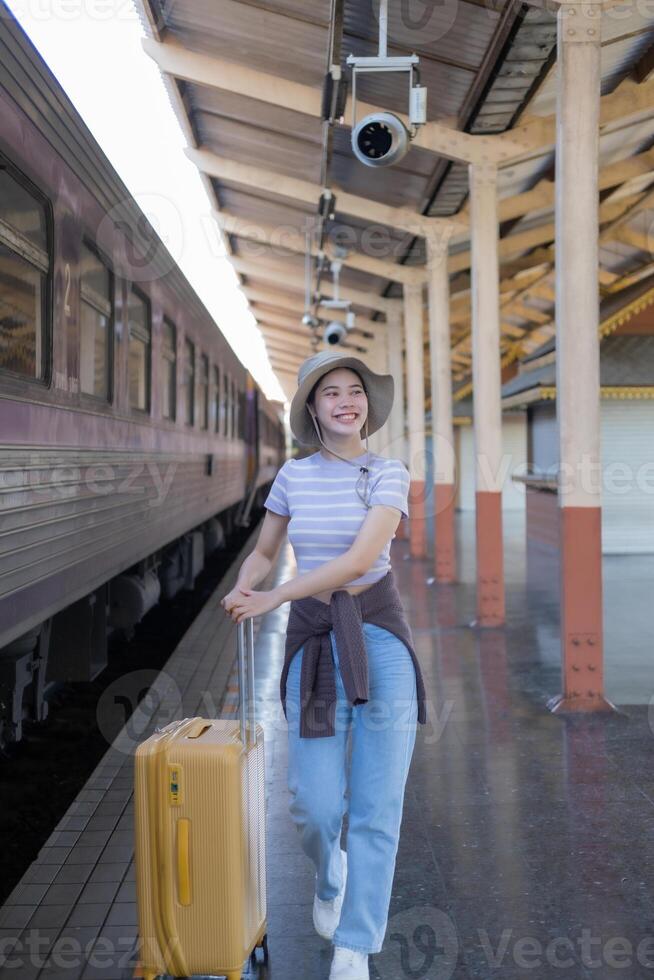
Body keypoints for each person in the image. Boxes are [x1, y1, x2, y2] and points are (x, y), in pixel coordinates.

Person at [221, 350, 427, 980]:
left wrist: (276, 594)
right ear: (312, 409)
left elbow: (363, 557)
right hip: (313, 640)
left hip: (379, 636)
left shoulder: (388, 473)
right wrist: (243, 584)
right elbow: (264, 550)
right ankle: (329, 869)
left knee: (375, 804)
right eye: (330, 392)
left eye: (354, 391)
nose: (345, 400)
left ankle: (355, 945)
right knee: (313, 804)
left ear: (367, 404)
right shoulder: (292, 476)